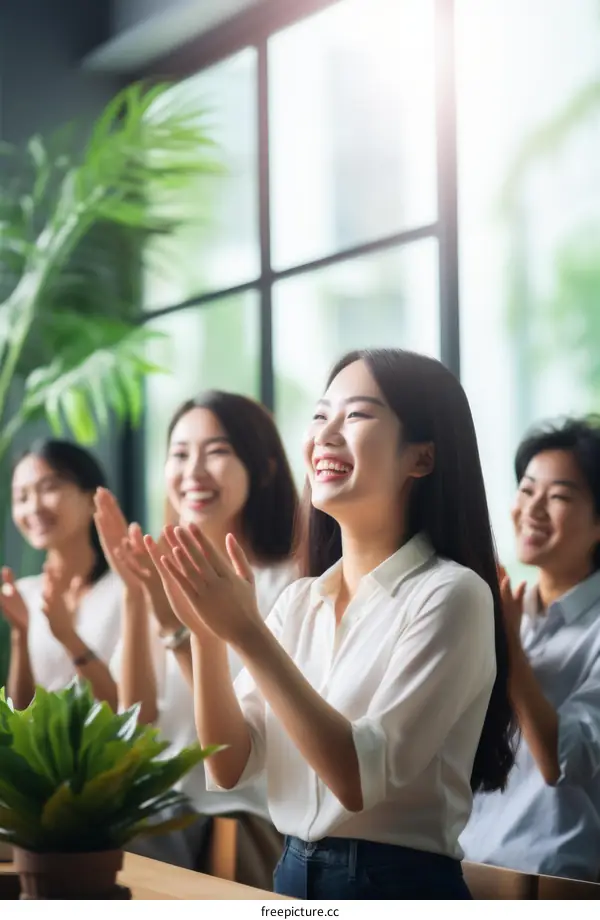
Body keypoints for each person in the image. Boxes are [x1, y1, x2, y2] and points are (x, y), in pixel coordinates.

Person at [143, 348, 516, 900]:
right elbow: (227, 765)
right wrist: (204, 631)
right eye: (320, 416)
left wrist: (247, 634)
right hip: (291, 875)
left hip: (397, 886)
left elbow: (358, 777)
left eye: (357, 415)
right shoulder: (299, 602)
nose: (326, 435)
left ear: (422, 457)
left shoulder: (453, 595)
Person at [94, 390, 298, 885]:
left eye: (217, 451)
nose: (194, 471)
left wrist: (174, 626)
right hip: (157, 804)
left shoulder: (289, 584)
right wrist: (136, 594)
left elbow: (241, 733)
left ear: (264, 467)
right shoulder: (161, 572)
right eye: (181, 454)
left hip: (233, 809)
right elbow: (136, 720)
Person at [461, 417, 600, 881]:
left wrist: (512, 655)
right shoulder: (508, 607)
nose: (533, 509)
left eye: (558, 496)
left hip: (554, 880)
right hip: (467, 863)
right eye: (526, 490)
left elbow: (561, 762)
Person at [0, 439, 122, 710]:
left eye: (49, 488)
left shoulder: (126, 591)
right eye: (22, 497)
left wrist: (67, 634)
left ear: (93, 499)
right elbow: (21, 713)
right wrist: (20, 632)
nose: (33, 508)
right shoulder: (27, 594)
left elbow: (132, 710)